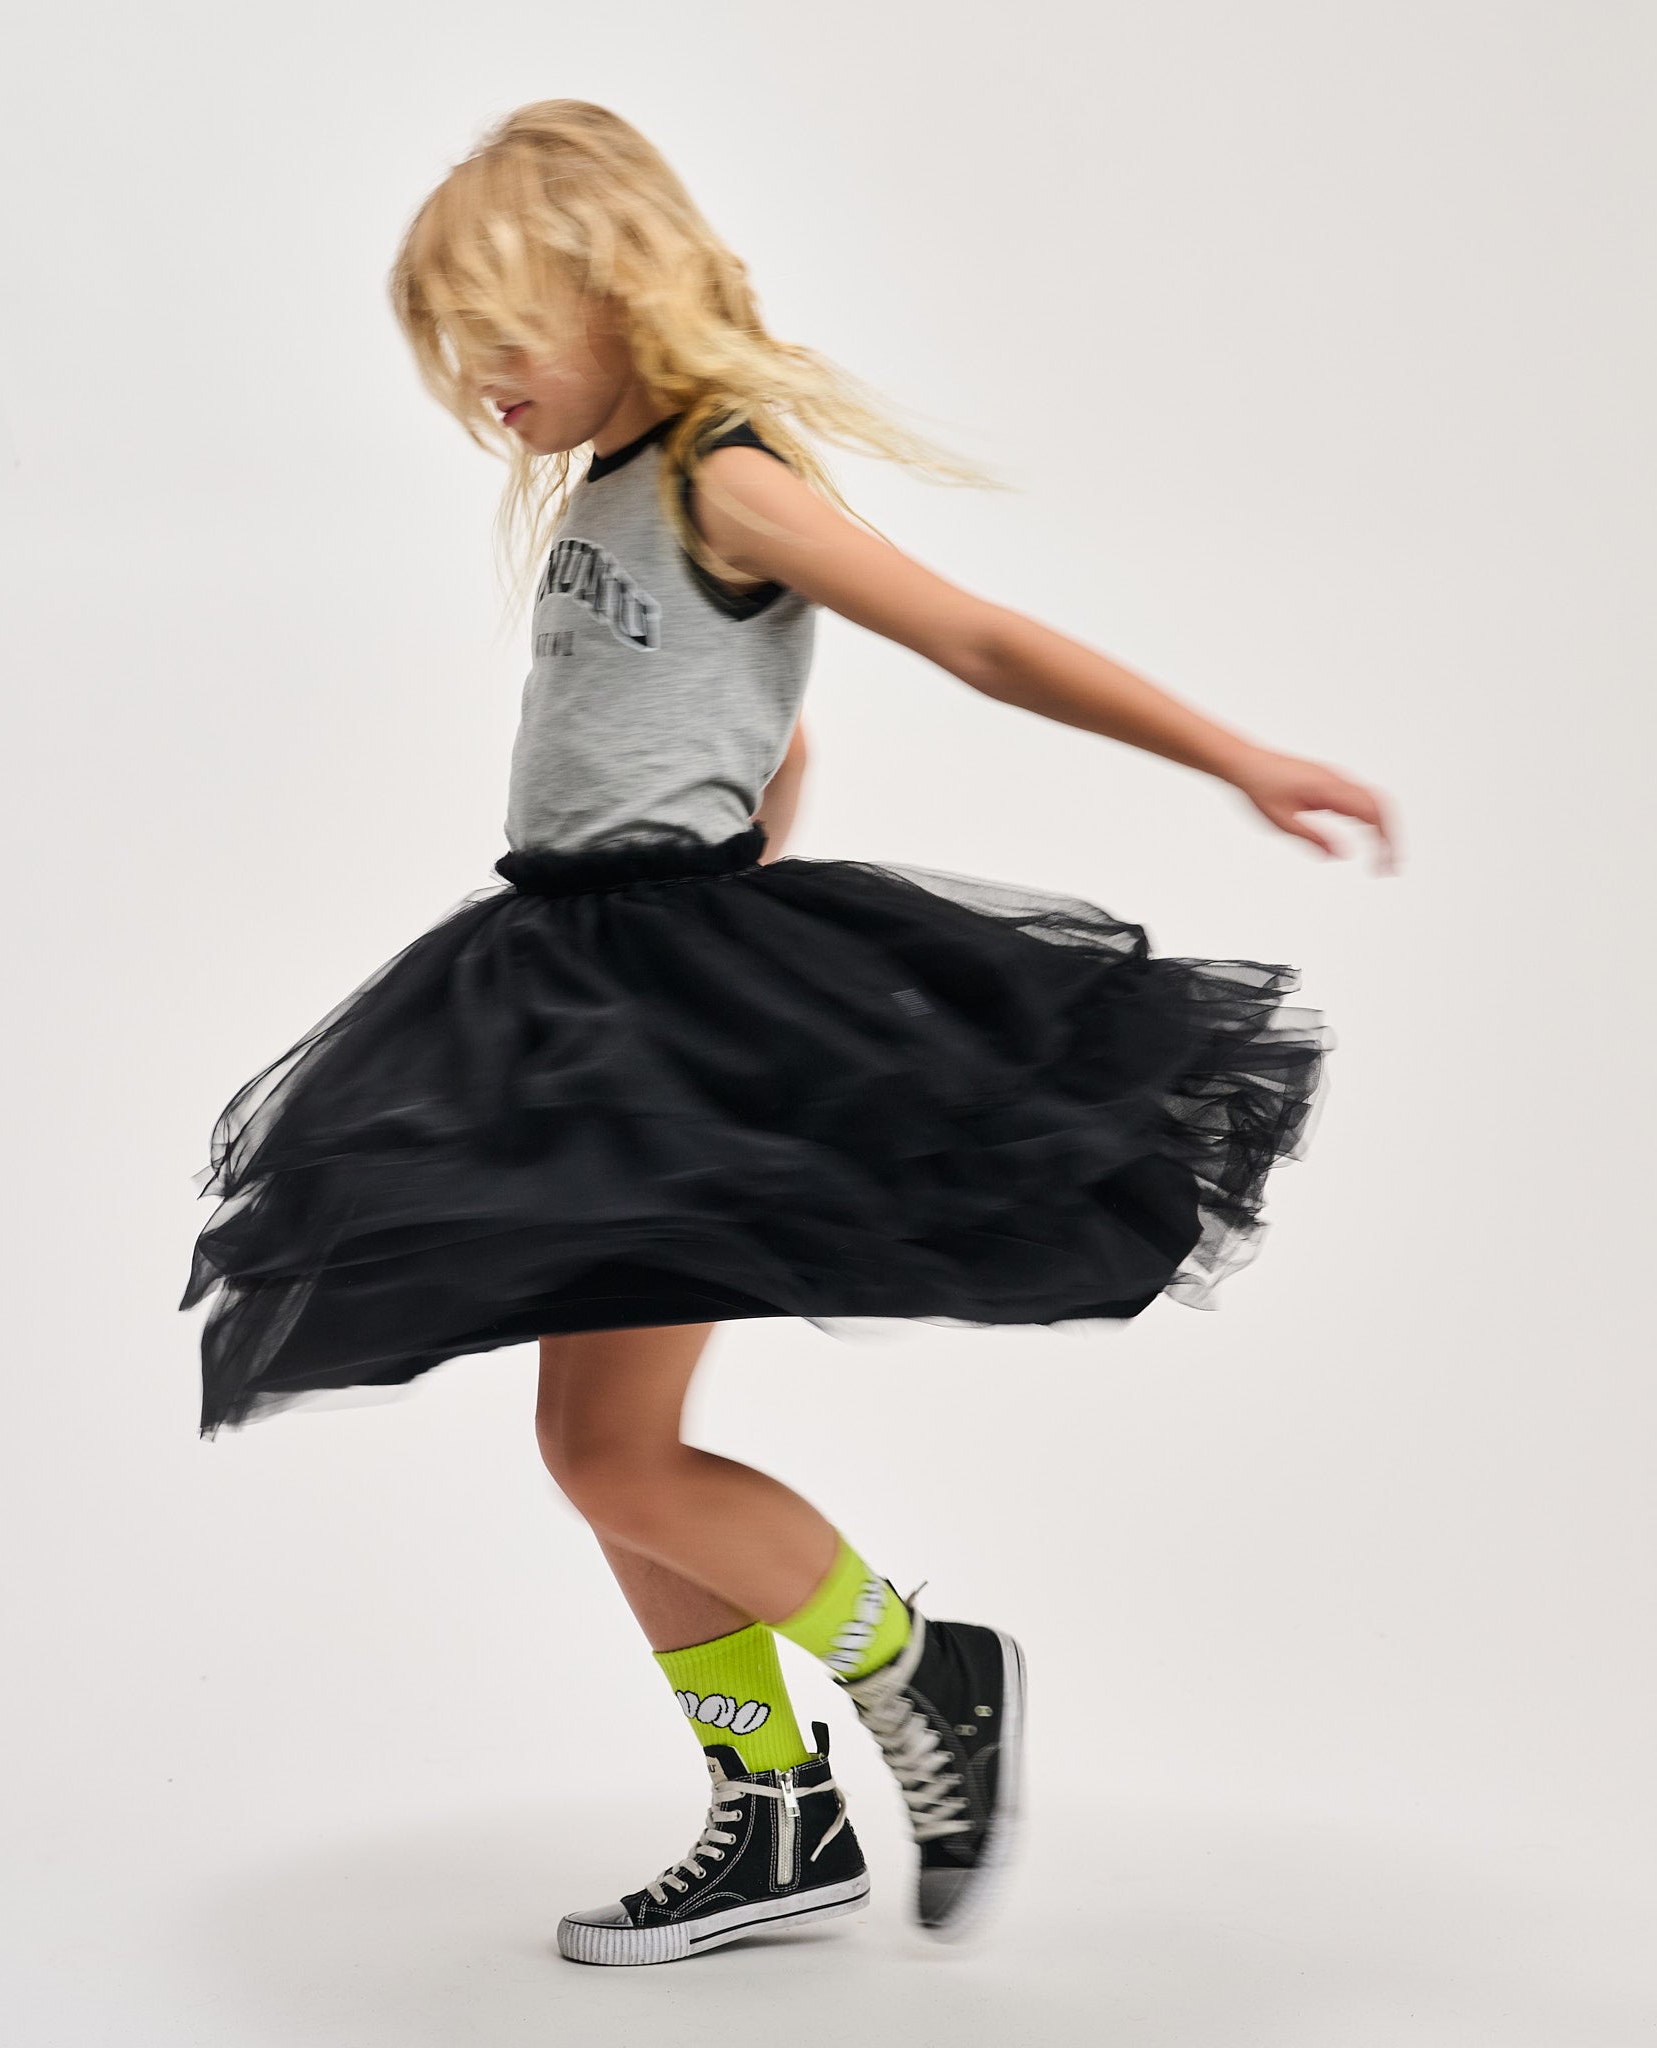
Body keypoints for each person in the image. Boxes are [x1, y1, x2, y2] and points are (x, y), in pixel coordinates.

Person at [179, 99, 1393, 1968]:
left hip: (651, 997)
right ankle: (777, 1819)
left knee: (610, 1456)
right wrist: (738, 831)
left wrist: (1233, 755)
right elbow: (763, 719)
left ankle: (923, 1671)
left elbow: (973, 639)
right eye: (452, 351)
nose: (481, 383)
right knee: (593, 1441)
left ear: (618, 289)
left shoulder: (718, 476)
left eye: (503, 335)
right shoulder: (600, 489)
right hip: (573, 981)